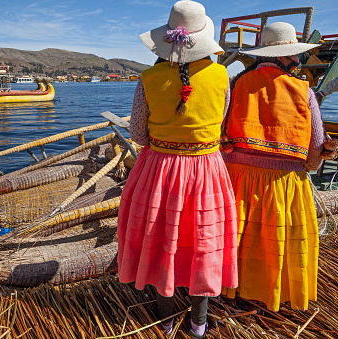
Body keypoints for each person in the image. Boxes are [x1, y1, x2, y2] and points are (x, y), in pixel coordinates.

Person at [117, 1, 238, 338]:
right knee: (204, 240)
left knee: (161, 238)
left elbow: (139, 134)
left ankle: (165, 319)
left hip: (159, 170)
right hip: (206, 169)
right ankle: (199, 323)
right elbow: (220, 124)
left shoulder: (148, 77)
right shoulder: (221, 76)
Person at [221, 22, 325, 312]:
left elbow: (221, 135)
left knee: (241, 239)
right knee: (275, 242)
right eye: (296, 57)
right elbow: (315, 155)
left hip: (238, 181)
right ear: (284, 57)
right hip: (283, 185)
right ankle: (270, 296)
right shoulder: (304, 92)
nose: (298, 61)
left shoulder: (237, 84)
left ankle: (233, 292)